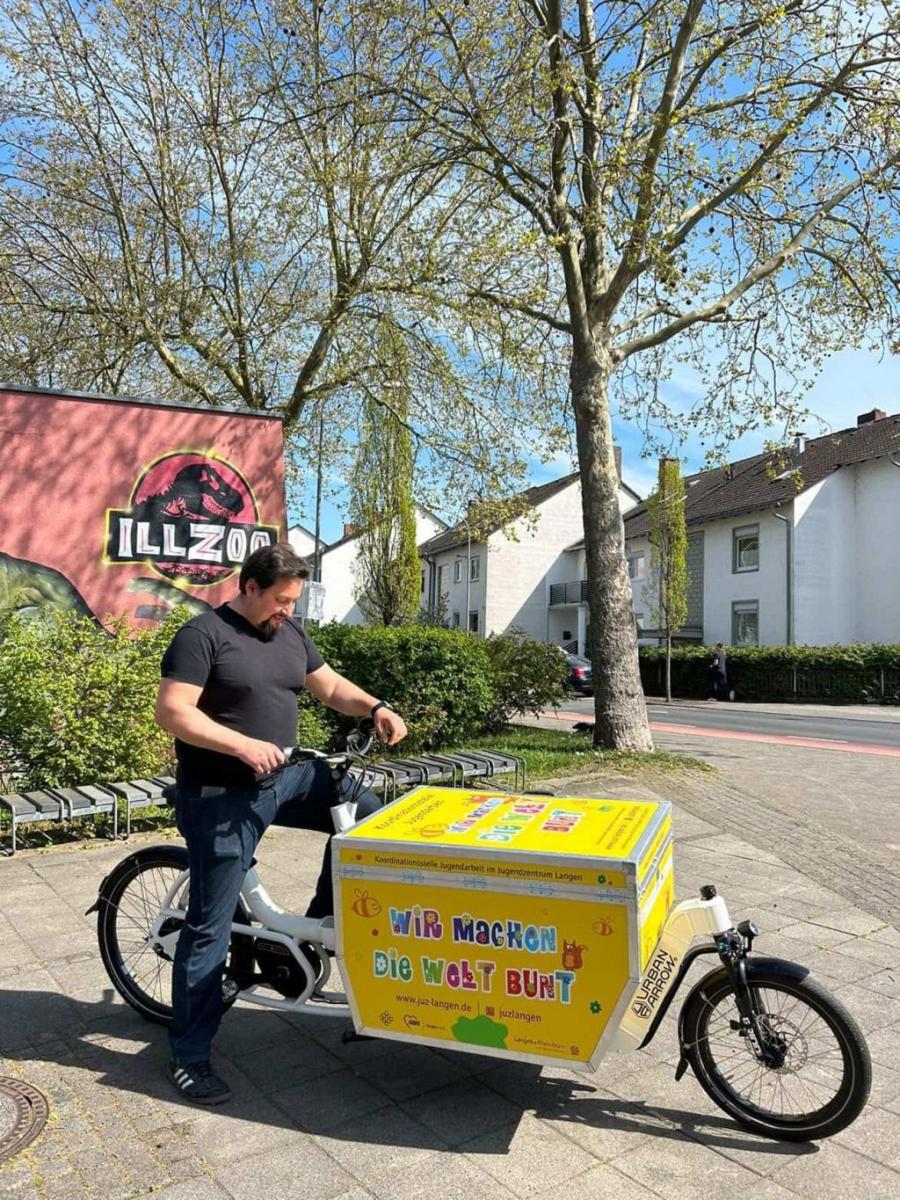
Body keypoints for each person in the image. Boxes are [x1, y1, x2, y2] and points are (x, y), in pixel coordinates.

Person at [155, 542, 407, 1106]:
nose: (288, 610)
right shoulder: (202, 636)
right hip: (222, 792)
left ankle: (308, 933)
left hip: (285, 778)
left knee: (368, 818)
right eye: (281, 600)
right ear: (249, 587)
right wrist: (241, 744)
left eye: (293, 601)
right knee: (209, 927)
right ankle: (189, 1056)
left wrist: (376, 707)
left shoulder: (287, 632)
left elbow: (330, 686)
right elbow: (173, 711)